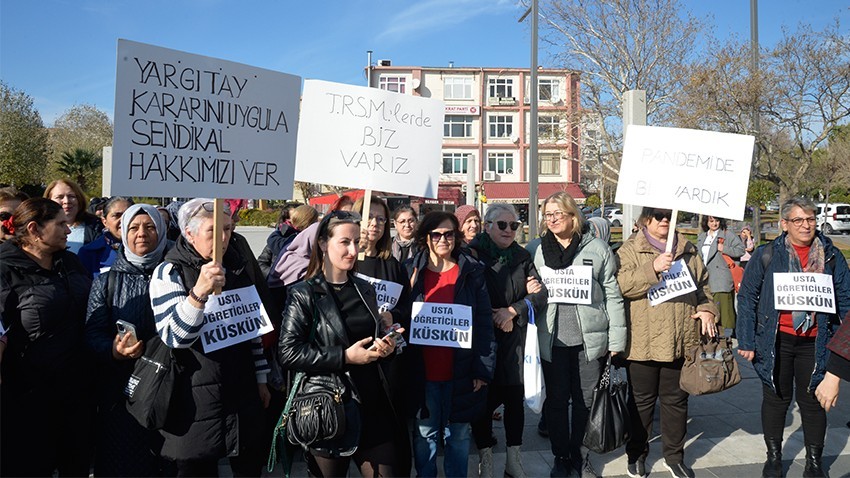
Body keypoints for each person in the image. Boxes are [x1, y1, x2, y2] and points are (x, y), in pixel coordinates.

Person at [148, 198, 272, 476]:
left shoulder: (238, 266)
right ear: (189, 234)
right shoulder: (169, 271)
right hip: (193, 399)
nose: (224, 238)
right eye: (214, 231)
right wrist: (199, 293)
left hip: (241, 392)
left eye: (228, 229)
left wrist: (261, 378)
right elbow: (174, 337)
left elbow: (250, 329)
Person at [278, 210, 404, 477]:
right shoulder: (304, 293)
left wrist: (387, 347)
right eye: (344, 242)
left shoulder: (364, 288)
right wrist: (344, 356)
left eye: (357, 242)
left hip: (372, 403)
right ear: (323, 244)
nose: (353, 249)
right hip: (329, 406)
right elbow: (288, 352)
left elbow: (370, 339)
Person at [736, 197, 850, 478]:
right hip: (776, 340)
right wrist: (747, 339)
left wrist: (841, 347)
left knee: (813, 401)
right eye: (798, 220)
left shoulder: (832, 256)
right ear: (784, 224)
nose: (806, 225)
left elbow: (845, 301)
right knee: (776, 398)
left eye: (810, 219)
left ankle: (814, 461)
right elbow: (748, 296)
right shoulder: (767, 255)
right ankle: (773, 457)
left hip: (816, 340)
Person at [526, 192, 626, 478]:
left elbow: (612, 295)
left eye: (558, 213)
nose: (553, 219)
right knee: (556, 403)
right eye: (548, 215)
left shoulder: (596, 248)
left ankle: (579, 454)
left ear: (573, 216)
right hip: (551, 340)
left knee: (586, 402)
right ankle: (560, 455)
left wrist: (617, 341)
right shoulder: (536, 249)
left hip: (588, 342)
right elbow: (525, 287)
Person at [616, 207, 717, 478]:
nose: (664, 221)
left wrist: (708, 309)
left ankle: (674, 456)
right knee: (641, 402)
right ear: (645, 220)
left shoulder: (689, 249)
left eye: (669, 216)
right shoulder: (629, 249)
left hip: (681, 339)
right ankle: (636, 454)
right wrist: (653, 268)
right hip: (643, 341)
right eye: (658, 216)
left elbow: (703, 288)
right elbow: (621, 286)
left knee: (676, 401)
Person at [0, 198, 94, 476]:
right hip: (27, 404)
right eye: (61, 224)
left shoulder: (71, 262)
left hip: (77, 397)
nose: (68, 230)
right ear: (34, 229)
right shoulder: (4, 270)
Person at [405, 211, 496, 478]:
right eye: (436, 234)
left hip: (462, 371)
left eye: (449, 234)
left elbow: (483, 324)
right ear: (426, 238)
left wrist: (482, 369)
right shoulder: (411, 272)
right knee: (425, 436)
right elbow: (398, 319)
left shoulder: (472, 272)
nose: (443, 239)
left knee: (458, 436)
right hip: (424, 372)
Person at [85, 203, 170, 476]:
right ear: (122, 233)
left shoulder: (179, 274)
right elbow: (92, 333)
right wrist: (113, 350)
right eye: (133, 227)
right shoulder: (106, 282)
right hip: (124, 394)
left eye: (149, 227)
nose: (141, 233)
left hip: (171, 390)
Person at [469, 203, 548, 478]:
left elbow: (540, 296)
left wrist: (513, 310)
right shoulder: (472, 254)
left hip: (514, 343)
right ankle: (486, 459)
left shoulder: (522, 257)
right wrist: (494, 315)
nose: (509, 230)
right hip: (483, 342)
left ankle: (514, 461)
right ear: (487, 226)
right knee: (482, 403)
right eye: (502, 225)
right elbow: (469, 295)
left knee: (514, 402)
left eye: (514, 225)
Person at [353, 195, 414, 476]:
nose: (375, 224)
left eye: (380, 218)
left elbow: (407, 307)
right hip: (354, 365)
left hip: (389, 367)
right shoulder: (346, 261)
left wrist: (394, 316)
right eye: (369, 217)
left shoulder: (393, 265)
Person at [696, 216, 745, 338]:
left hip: (721, 278)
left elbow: (741, 250)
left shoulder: (727, 235)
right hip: (705, 278)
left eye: (717, 221)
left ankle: (725, 338)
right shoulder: (702, 237)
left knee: (723, 312)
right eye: (711, 221)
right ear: (706, 222)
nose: (714, 223)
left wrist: (724, 248)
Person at [78, 196, 134, 277]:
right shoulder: (89, 252)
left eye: (128, 215)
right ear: (104, 221)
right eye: (116, 215)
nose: (123, 220)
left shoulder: (149, 249)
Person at [258, 204, 317, 278]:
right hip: (277, 285)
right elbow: (261, 263)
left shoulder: (312, 238)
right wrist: (276, 276)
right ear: (287, 219)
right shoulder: (279, 237)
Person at [44, 178, 101, 253]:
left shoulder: (97, 227)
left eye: (71, 196)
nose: (66, 201)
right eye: (60, 197)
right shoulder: (40, 228)